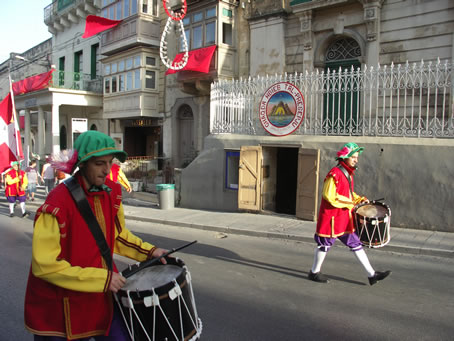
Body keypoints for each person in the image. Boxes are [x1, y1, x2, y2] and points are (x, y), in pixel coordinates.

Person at [24, 131, 168, 340]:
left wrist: (150, 252)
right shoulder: (57, 203)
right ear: (82, 164)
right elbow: (44, 265)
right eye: (100, 163)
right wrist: (102, 279)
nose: (107, 169)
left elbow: (117, 236)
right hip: (61, 308)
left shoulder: (112, 192)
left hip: (101, 296)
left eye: (110, 162)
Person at [308, 142, 391, 285]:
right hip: (332, 218)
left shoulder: (347, 174)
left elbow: (347, 193)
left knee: (355, 243)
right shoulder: (334, 173)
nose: (356, 160)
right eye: (354, 157)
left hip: (344, 218)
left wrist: (359, 199)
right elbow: (329, 195)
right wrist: (350, 203)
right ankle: (314, 272)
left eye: (357, 157)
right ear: (345, 157)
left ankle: (372, 275)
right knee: (325, 245)